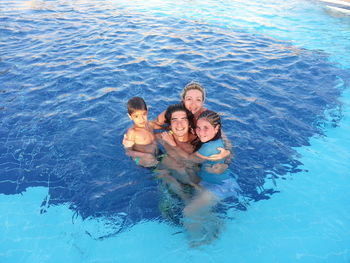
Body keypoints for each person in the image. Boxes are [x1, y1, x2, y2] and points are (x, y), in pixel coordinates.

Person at [166, 110, 240, 247]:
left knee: (189, 211)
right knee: (197, 207)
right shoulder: (215, 141)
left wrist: (171, 143)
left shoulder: (209, 147)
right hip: (210, 182)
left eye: (206, 128)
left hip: (219, 186)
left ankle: (198, 243)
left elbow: (188, 159)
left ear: (217, 128)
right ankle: (218, 224)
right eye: (198, 128)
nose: (201, 132)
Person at [123, 97, 158, 168]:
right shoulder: (133, 132)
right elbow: (128, 152)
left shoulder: (149, 124)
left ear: (147, 111)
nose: (141, 119)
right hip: (143, 159)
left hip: (156, 153)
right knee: (165, 174)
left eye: (144, 114)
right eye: (136, 116)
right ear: (130, 116)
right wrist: (146, 155)